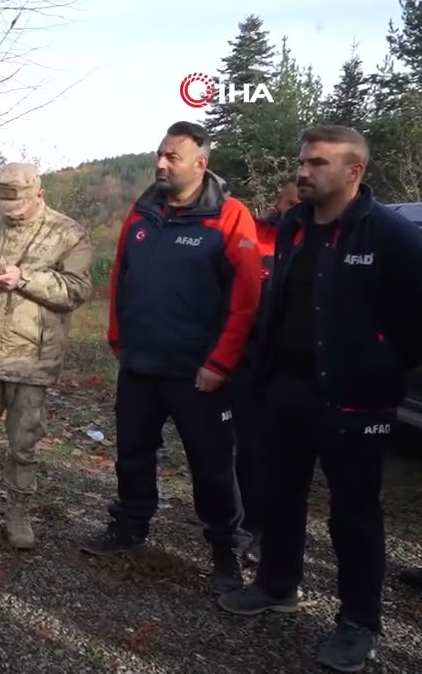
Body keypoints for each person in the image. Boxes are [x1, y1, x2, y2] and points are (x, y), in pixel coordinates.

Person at [218, 125, 422, 673]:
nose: (304, 172)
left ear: (354, 171)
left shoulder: (390, 235)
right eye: (303, 161)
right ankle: (278, 585)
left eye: (319, 164)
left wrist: (380, 363)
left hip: (355, 401)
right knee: (278, 494)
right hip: (285, 391)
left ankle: (359, 623)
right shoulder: (294, 226)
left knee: (353, 514)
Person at [81, 121, 262, 597]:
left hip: (199, 372)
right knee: (132, 454)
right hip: (140, 365)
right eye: (159, 155)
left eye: (172, 157)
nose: (160, 164)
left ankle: (225, 548)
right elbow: (122, 275)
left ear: (200, 164)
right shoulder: (141, 213)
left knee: (212, 465)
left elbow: (246, 299)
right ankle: (130, 526)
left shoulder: (229, 216)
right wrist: (118, 338)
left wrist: (219, 364)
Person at [0, 162, 93, 548]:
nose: (12, 213)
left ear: (39, 194)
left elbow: (75, 291)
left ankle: (18, 514)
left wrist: (23, 279)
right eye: (5, 204)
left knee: (23, 446)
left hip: (31, 360)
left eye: (19, 205)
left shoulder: (68, 234)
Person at [234, 175, 300, 565]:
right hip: (248, 362)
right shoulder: (254, 235)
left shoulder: (324, 241)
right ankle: (249, 524)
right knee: (248, 449)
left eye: (299, 203)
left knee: (284, 456)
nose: (292, 210)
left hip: (295, 368)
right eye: (286, 203)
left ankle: (271, 534)